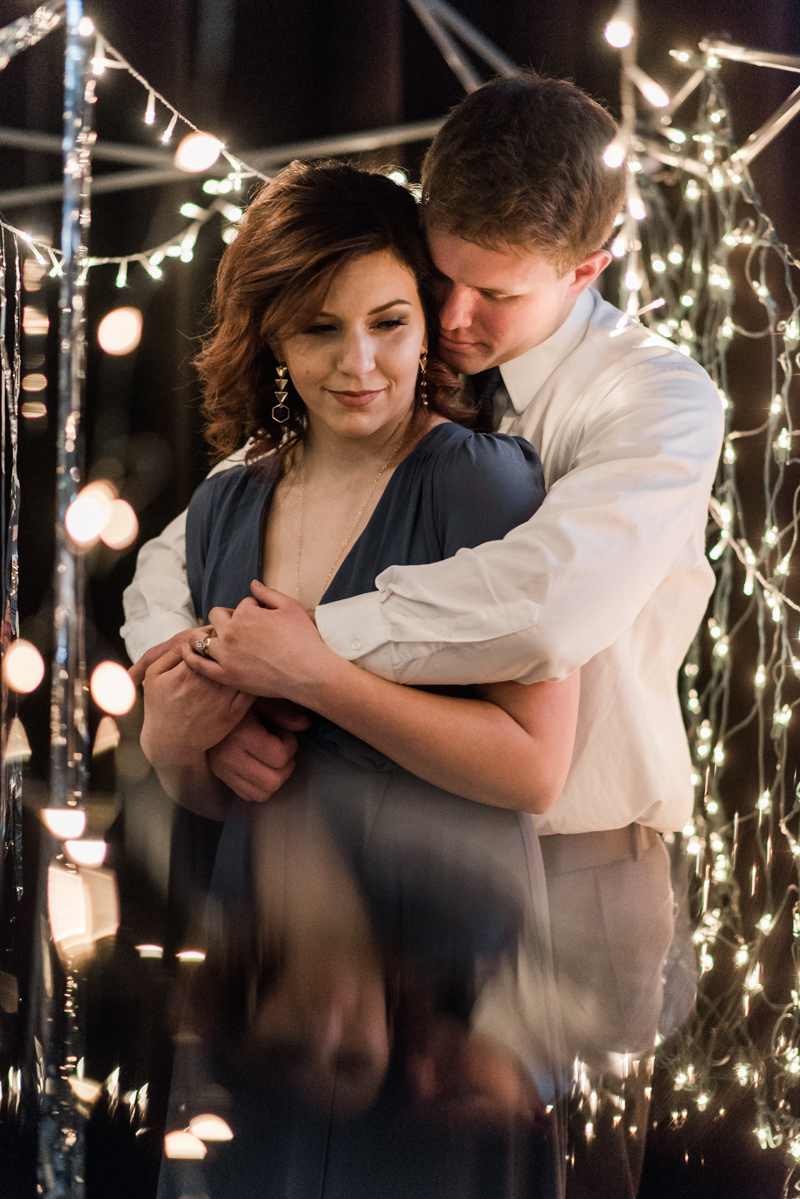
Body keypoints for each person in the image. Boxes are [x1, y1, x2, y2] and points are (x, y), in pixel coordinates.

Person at [124, 72, 724, 1197]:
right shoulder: (371, 374)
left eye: (492, 294)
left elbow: (545, 608)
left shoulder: (650, 398)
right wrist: (188, 702)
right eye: (437, 278)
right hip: (355, 885)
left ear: (586, 268)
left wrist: (299, 654)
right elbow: (174, 566)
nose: (451, 322)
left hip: (579, 871)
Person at [145, 159, 575, 1199]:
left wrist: (320, 676)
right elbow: (208, 793)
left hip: (448, 1016)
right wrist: (178, 741)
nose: (360, 363)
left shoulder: (481, 482)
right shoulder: (225, 507)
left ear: (429, 324)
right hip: (265, 1001)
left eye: (388, 321)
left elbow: (535, 769)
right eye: (317, 329)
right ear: (269, 339)